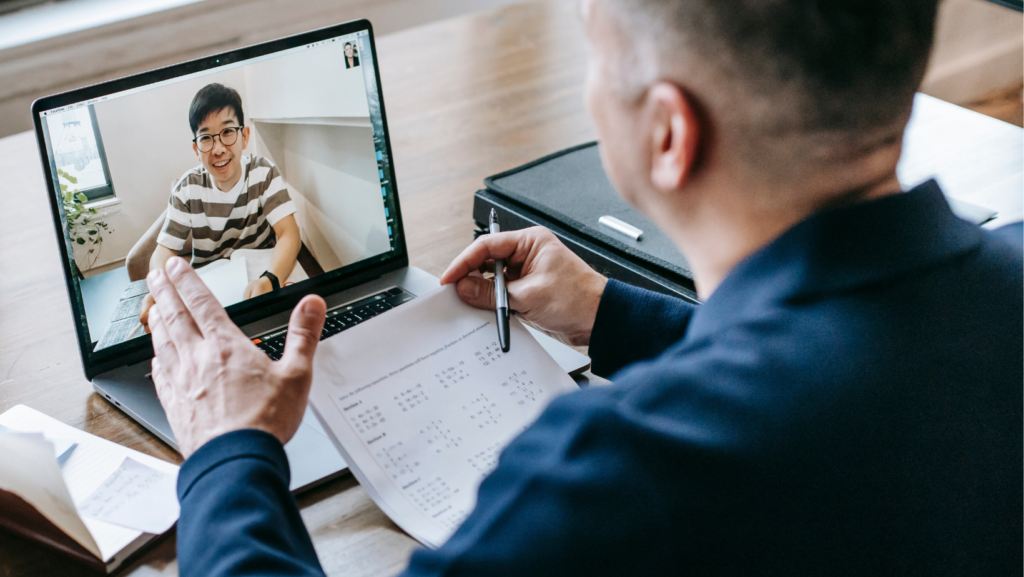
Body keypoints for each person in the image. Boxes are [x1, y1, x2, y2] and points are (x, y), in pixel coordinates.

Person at [145, 0, 1022, 575]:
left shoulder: (616, 478)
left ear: (669, 133)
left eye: (595, 52)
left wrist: (227, 448)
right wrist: (613, 315)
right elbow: (852, 359)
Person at [139, 83, 301, 330]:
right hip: (209, 296)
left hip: (262, 285)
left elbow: (289, 233)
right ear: (196, 148)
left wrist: (271, 279)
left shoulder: (263, 172)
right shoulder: (186, 189)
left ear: (244, 136)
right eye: (206, 138)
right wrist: (160, 289)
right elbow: (163, 252)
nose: (218, 149)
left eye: (227, 132)